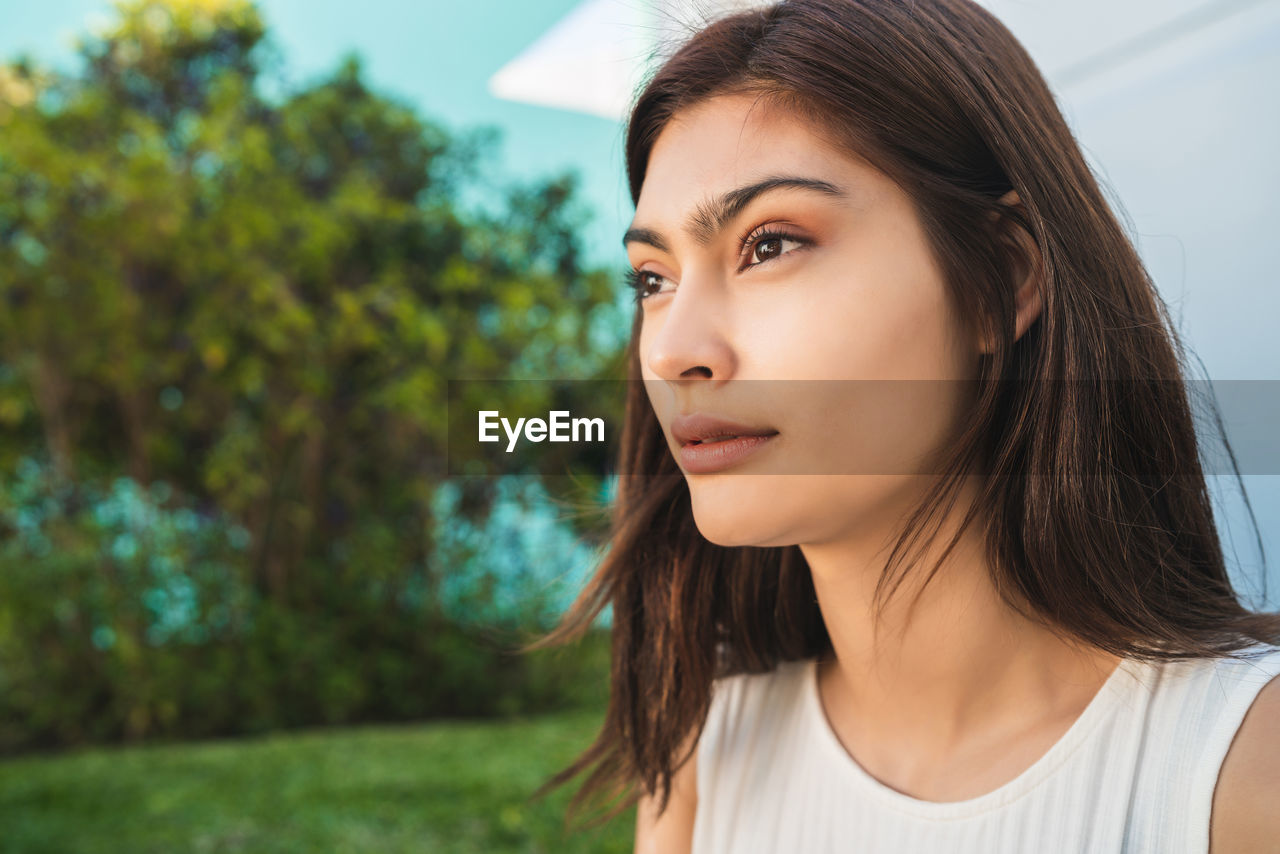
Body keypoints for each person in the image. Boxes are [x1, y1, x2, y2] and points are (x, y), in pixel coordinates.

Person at [533, 1, 1280, 851]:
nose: (672, 352)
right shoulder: (708, 754)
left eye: (769, 244)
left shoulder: (1245, 769)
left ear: (999, 279)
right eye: (653, 278)